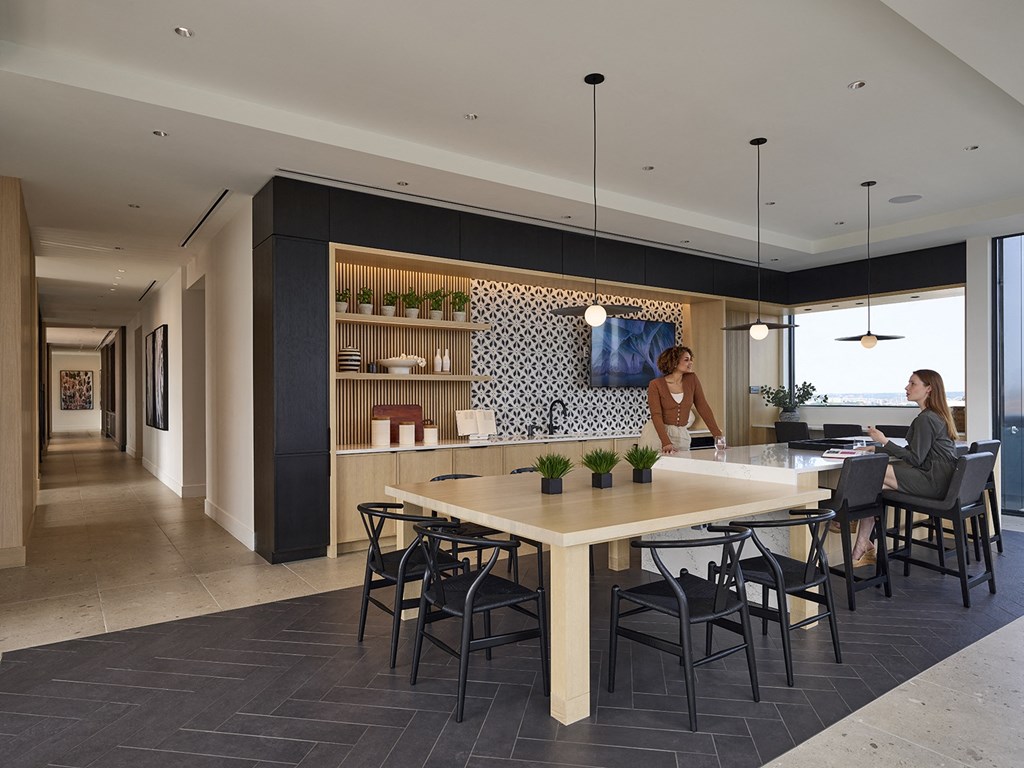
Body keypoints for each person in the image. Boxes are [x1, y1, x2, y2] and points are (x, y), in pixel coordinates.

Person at [848, 369, 959, 564]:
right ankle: (862, 542)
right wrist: (880, 449)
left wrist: (884, 441)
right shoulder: (935, 415)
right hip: (941, 480)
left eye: (912, 383)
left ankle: (846, 520)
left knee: (869, 474)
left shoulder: (926, 419)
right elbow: (915, 451)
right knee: (874, 486)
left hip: (933, 481)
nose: (907, 387)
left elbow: (915, 458)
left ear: (929, 389)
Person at [642, 345, 724, 453]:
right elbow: (656, 415)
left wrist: (719, 438)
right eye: (686, 360)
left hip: (681, 434)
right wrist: (665, 442)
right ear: (674, 362)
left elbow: (703, 407)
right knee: (660, 469)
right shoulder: (655, 384)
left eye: (691, 359)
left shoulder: (692, 380)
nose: (691, 362)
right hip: (657, 435)